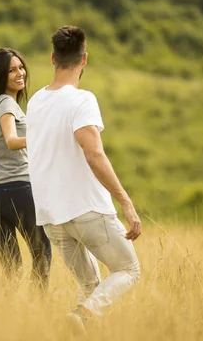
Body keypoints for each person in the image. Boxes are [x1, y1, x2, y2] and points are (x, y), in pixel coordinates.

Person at [26, 26, 141, 326]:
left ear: (53, 58)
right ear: (84, 59)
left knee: (89, 288)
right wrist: (126, 201)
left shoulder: (35, 101)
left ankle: (79, 320)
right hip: (86, 208)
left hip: (51, 216)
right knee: (129, 270)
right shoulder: (81, 100)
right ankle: (83, 314)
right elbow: (94, 155)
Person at [0, 47, 52, 291]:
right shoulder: (6, 103)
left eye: (21, 67)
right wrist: (43, 136)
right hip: (17, 189)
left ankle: (4, 315)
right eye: (12, 70)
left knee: (12, 269)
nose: (20, 73)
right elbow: (11, 141)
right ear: (0, 75)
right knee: (42, 252)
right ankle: (36, 310)